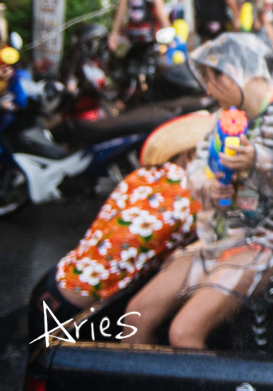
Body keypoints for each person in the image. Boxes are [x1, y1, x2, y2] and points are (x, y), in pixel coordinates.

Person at [123, 34, 273, 349]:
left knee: (183, 333)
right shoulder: (222, 120)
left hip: (267, 247)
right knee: (135, 316)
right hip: (216, 240)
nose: (207, 90)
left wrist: (258, 159)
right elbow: (197, 172)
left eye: (212, 79)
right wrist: (210, 187)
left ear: (235, 72)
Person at [31, 112, 212, 327]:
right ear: (190, 155)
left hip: (54, 282)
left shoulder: (145, 175)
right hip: (75, 311)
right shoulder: (192, 196)